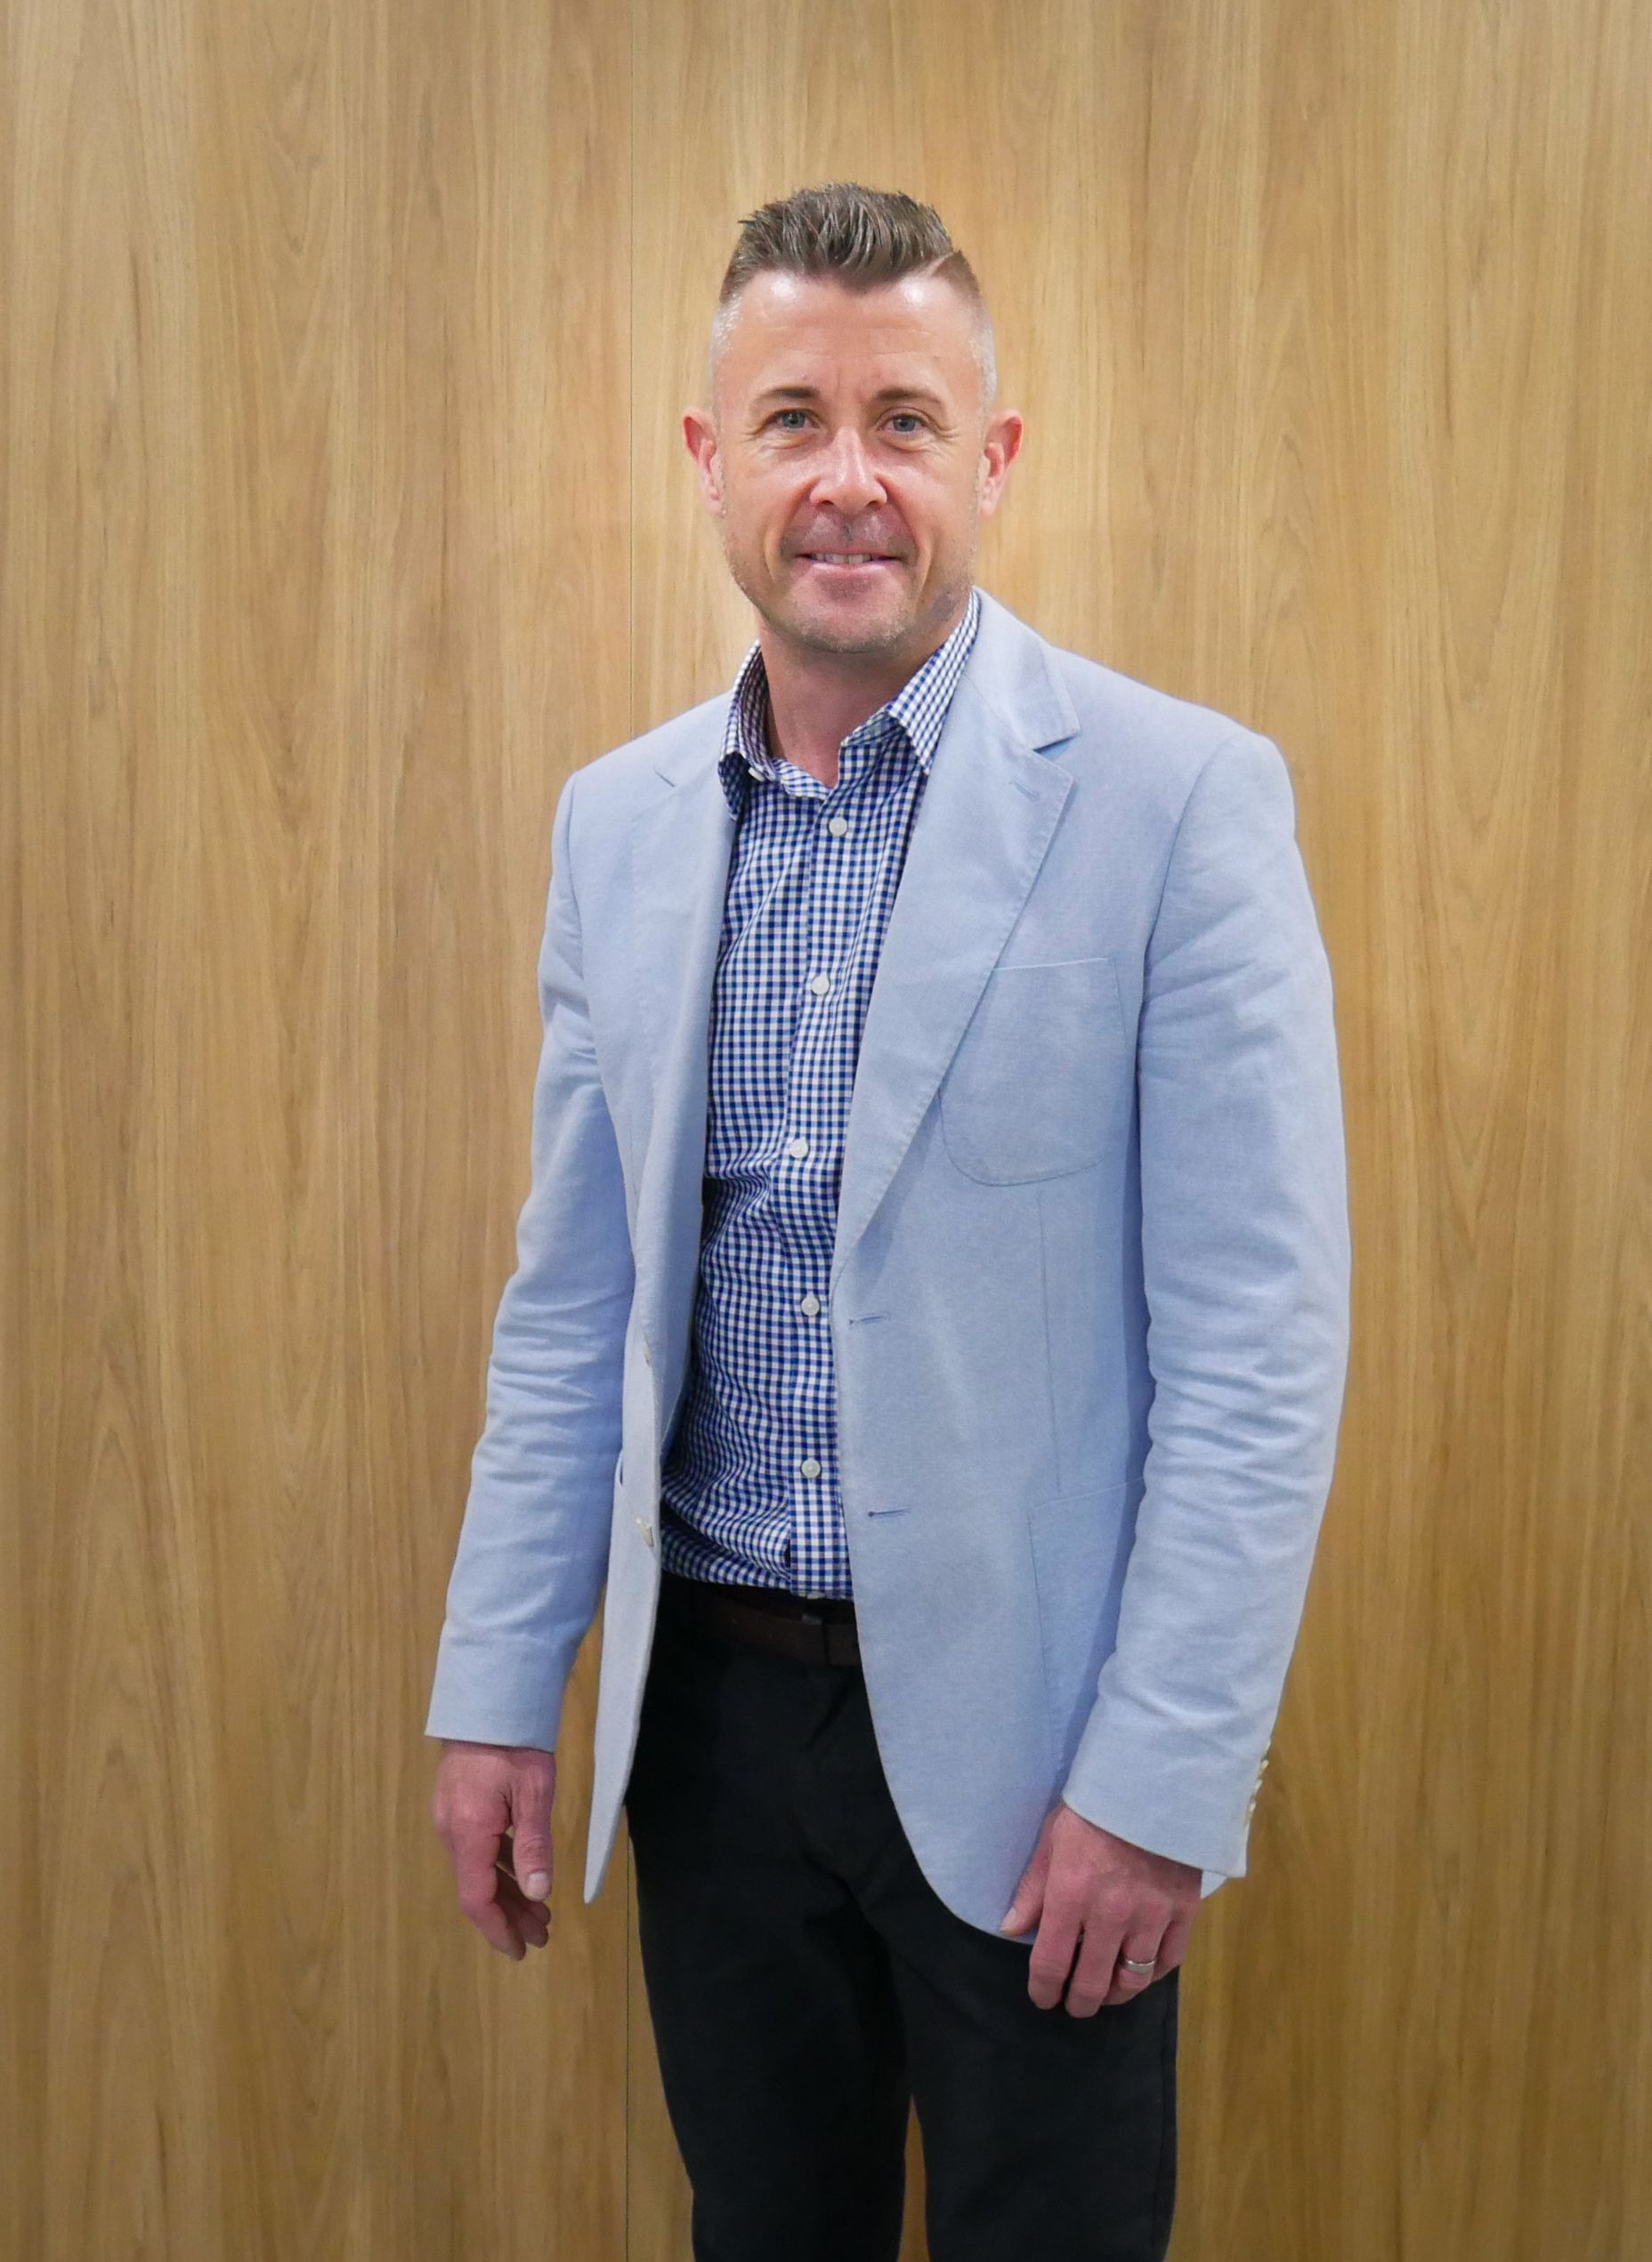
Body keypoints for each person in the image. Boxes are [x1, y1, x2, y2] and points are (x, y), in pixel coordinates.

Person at [426, 180, 1351, 2262]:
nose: (849, 477)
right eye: (792, 418)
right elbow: (575, 1302)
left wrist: (1166, 1774)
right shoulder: (620, 824)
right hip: (718, 1738)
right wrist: (502, 1680)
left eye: (907, 420)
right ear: (708, 460)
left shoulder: (1177, 802)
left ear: (992, 459)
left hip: (1047, 1765)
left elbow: (1257, 1340)